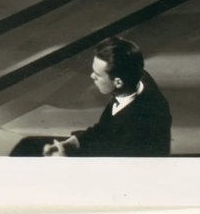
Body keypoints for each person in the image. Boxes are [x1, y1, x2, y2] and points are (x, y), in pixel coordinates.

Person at [25, 38, 172, 156]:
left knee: (28, 151)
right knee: (27, 145)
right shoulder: (137, 76)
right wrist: (73, 142)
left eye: (98, 75)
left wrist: (65, 162)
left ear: (118, 82)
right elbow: (106, 128)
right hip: (114, 144)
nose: (91, 76)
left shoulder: (139, 127)